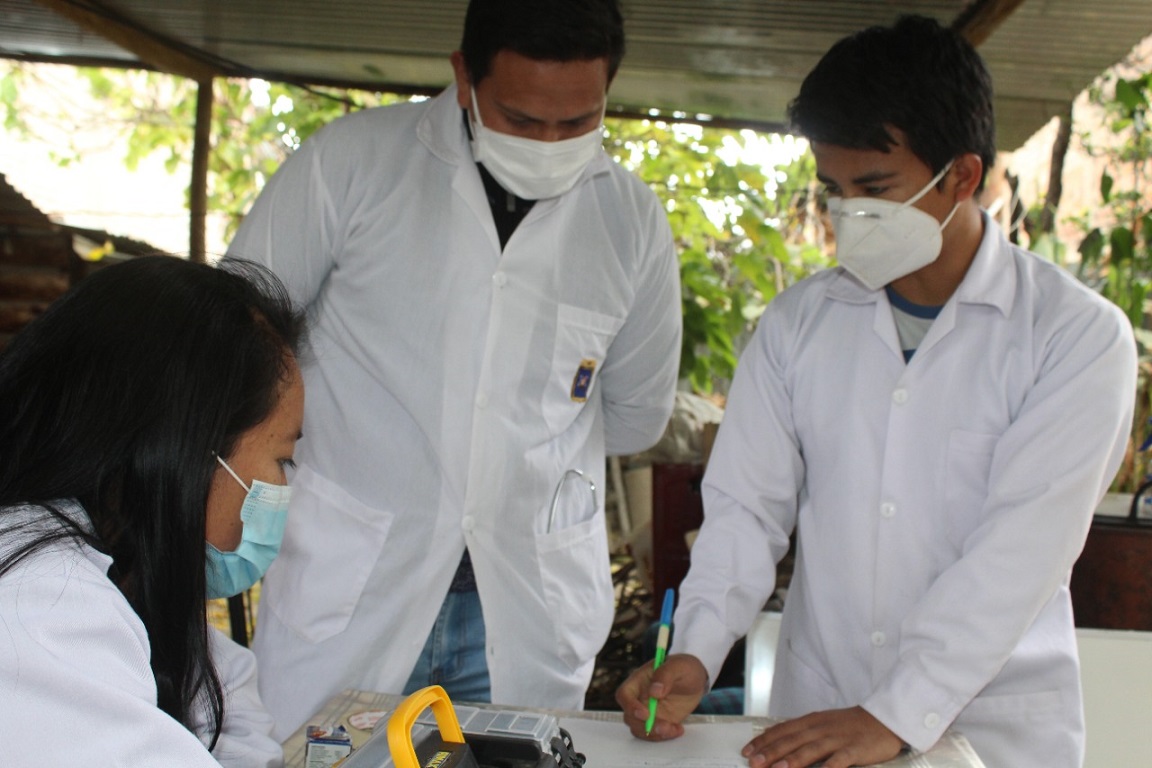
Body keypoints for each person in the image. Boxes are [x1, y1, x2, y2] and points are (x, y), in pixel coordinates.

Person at [616, 15, 1137, 768]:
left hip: (992, 730)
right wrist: (695, 649)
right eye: (833, 187)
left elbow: (1020, 553)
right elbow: (745, 511)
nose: (845, 213)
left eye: (874, 187)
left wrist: (894, 712)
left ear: (961, 176)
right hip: (818, 715)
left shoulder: (1072, 337)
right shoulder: (799, 325)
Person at [226, 0, 681, 739]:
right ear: (463, 76)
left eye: (577, 123)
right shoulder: (351, 163)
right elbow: (237, 333)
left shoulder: (629, 221)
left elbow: (637, 415)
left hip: (524, 609)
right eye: (523, 119)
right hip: (355, 585)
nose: (550, 143)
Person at [0, 256, 307, 766]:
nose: (281, 486)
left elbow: (230, 718)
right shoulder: (46, 604)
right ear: (192, 446)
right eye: (283, 459)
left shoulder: (114, 579)